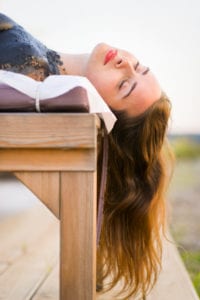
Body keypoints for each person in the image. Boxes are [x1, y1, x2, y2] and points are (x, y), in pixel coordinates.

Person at [0, 13, 174, 299]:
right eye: (140, 67)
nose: (125, 63)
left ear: (105, 114)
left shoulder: (26, 63)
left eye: (123, 84)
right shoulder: (38, 62)